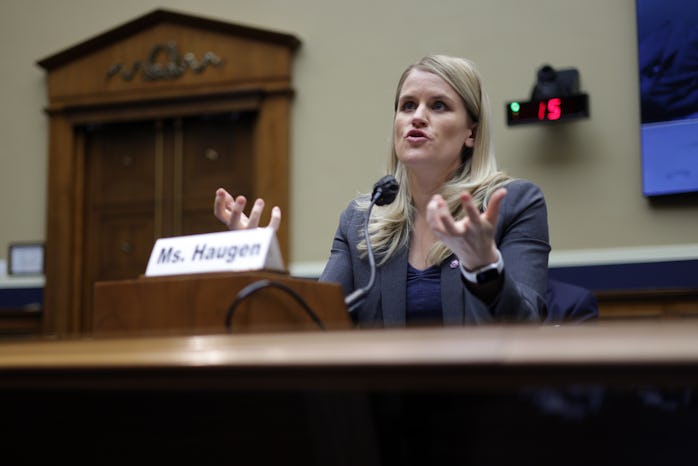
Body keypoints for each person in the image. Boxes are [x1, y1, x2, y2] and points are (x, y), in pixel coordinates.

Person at [214, 55, 550, 327]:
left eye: (438, 106)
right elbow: (318, 320)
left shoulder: (514, 204)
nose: (417, 117)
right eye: (407, 105)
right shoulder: (362, 218)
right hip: (381, 406)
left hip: (481, 403)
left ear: (471, 133)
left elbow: (529, 322)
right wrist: (258, 261)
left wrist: (485, 267)